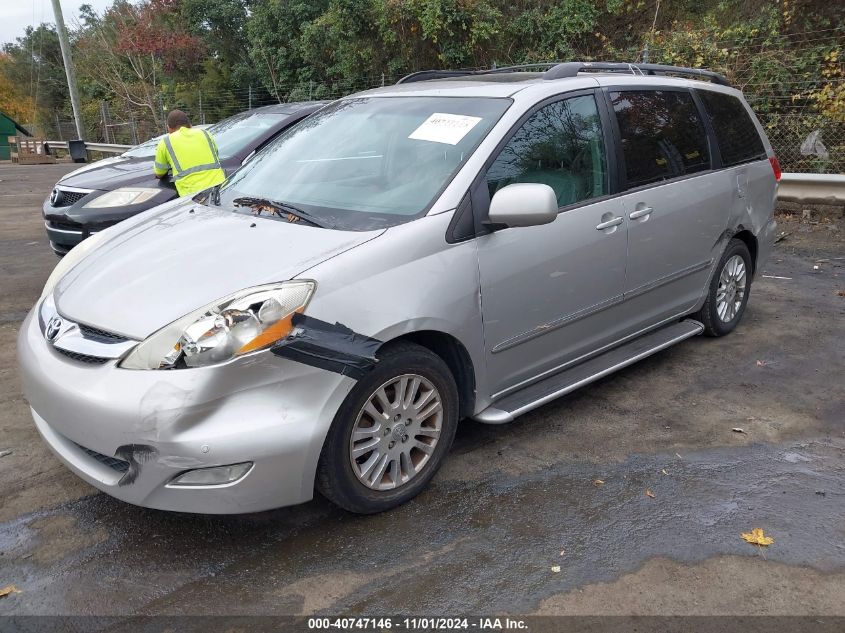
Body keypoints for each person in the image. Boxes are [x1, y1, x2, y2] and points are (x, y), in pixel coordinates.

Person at [153, 109, 226, 197]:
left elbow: (159, 172)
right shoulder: (206, 134)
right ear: (190, 124)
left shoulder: (165, 142)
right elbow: (216, 156)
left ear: (169, 128)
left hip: (192, 194)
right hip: (220, 188)